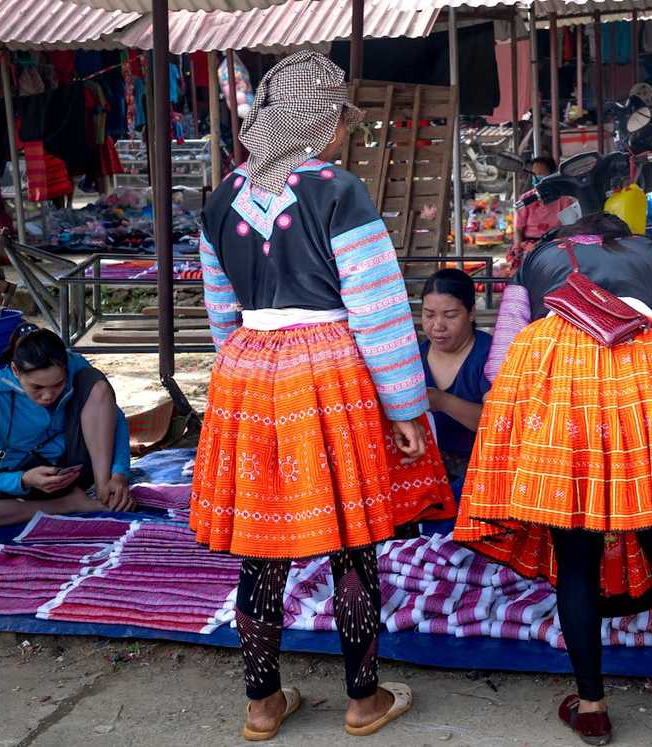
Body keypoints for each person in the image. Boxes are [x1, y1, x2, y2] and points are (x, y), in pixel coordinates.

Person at [191, 52, 455, 742]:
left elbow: (221, 312)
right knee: (352, 542)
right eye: (341, 118)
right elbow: (378, 310)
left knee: (262, 544)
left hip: (249, 372)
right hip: (329, 371)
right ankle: (364, 701)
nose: (345, 132)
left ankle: (261, 704)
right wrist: (404, 408)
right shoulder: (337, 191)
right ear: (320, 123)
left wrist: (244, 376)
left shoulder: (220, 198)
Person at [456, 214, 652, 745]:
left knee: (576, 557)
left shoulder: (536, 261)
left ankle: (591, 708)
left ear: (571, 239)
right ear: (625, 236)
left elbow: (499, 365)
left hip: (559, 382)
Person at [0, 323, 133, 529]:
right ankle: (65, 505)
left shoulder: (75, 365)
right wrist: (22, 480)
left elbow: (114, 416)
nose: (48, 395)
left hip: (74, 470)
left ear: (66, 366)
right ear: (16, 370)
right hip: (19, 477)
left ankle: (104, 488)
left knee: (97, 384)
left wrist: (119, 474)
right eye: (37, 387)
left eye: (58, 384)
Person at [419, 269, 492, 531]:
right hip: (426, 474)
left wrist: (443, 402)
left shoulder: (490, 355)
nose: (437, 325)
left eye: (450, 315)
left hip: (479, 472)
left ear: (471, 313)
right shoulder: (413, 357)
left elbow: (498, 423)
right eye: (429, 315)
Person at [506, 156, 578, 275]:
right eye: (534, 174)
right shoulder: (525, 199)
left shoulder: (563, 199)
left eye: (541, 174)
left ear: (551, 176)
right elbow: (518, 229)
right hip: (529, 246)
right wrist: (517, 248)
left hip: (555, 245)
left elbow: (570, 228)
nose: (536, 177)